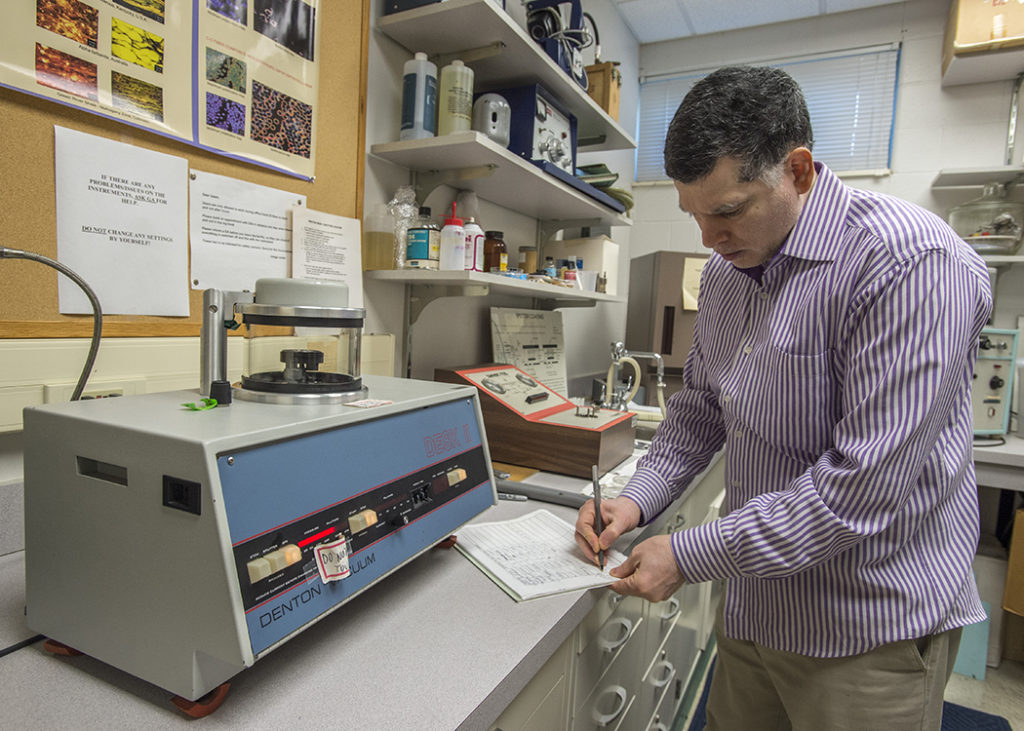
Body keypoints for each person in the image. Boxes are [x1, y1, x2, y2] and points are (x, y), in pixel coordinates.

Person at [575, 65, 992, 729]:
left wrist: (687, 554)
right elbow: (701, 410)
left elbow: (860, 488)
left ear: (798, 170)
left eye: (727, 212)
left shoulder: (910, 263)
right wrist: (633, 500)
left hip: (867, 629)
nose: (707, 239)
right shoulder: (726, 274)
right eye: (694, 215)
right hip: (754, 608)